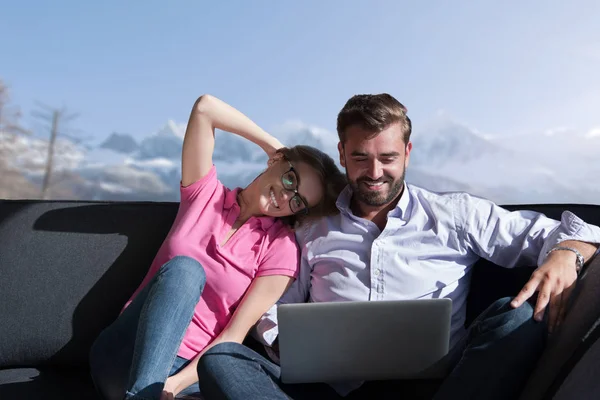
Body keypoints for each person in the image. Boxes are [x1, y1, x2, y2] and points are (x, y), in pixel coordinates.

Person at [195, 93, 600, 400]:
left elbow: (566, 232)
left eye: (387, 158)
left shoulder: (454, 214)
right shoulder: (310, 230)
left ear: (407, 153)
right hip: (331, 390)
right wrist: (285, 341)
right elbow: (273, 308)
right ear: (341, 154)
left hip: (440, 388)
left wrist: (568, 253)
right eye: (360, 158)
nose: (374, 173)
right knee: (222, 361)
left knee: (517, 319)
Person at [88, 94, 347, 400]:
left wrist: (173, 386)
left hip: (186, 374)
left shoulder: (281, 249)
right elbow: (205, 109)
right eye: (291, 180)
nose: (286, 197)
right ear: (277, 162)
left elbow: (232, 338)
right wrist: (271, 144)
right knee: (186, 271)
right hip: (124, 352)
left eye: (298, 201)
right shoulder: (204, 194)